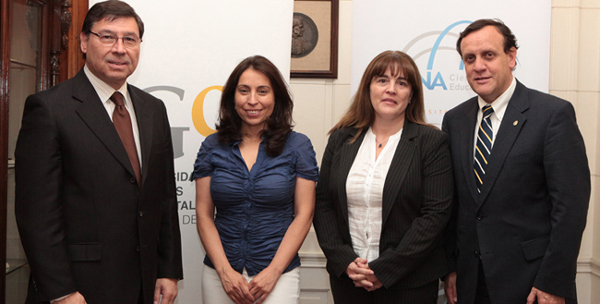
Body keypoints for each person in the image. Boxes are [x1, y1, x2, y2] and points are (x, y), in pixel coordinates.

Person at [14, 1, 183, 303]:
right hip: (79, 288)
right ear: (83, 41)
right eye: (107, 37)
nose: (120, 48)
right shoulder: (50, 109)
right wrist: (62, 291)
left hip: (143, 284)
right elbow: (36, 214)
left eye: (129, 39)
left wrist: (168, 270)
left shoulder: (153, 109)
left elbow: (165, 197)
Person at [442, 19, 590, 304]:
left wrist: (553, 282)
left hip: (533, 285)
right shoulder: (454, 120)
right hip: (470, 283)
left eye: (488, 55)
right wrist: (450, 268)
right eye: (469, 58)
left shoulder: (552, 115)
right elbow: (453, 205)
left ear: (511, 57)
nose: (478, 66)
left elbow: (570, 208)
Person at [313, 50, 454, 303]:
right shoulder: (341, 139)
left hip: (410, 282)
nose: (391, 89)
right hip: (349, 280)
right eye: (382, 80)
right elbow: (323, 204)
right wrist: (344, 261)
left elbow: (434, 216)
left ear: (411, 95)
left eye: (401, 83)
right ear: (368, 88)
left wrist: (385, 269)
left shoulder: (431, 142)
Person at [192, 55, 318, 304]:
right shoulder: (212, 146)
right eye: (244, 91)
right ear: (232, 97)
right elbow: (204, 213)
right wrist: (225, 272)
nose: (252, 100)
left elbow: (304, 215)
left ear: (276, 97)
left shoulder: (298, 146)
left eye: (262, 91)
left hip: (277, 277)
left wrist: (273, 273)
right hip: (221, 277)